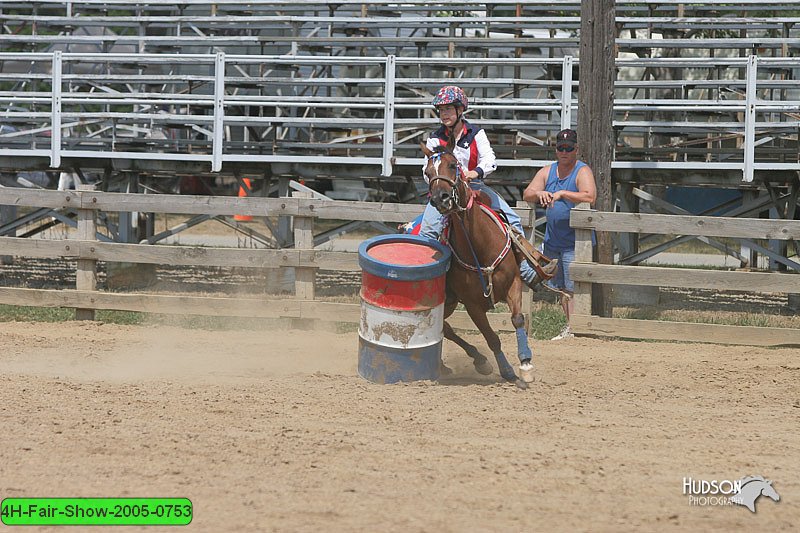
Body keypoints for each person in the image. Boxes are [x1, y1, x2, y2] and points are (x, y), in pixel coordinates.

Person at [420, 85, 552, 289]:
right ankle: (432, 278)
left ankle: (526, 271)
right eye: (441, 110)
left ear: (460, 110)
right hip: (444, 191)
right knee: (427, 230)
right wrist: (437, 180)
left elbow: (490, 160)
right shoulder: (435, 138)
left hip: (474, 185)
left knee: (513, 219)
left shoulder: (475, 133)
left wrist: (475, 172)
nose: (444, 114)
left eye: (448, 109)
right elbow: (425, 169)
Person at [523, 128, 597, 340]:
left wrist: (563, 193)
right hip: (553, 241)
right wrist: (540, 193)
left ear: (576, 149)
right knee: (562, 288)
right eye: (561, 148)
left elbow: (590, 196)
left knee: (575, 287)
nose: (564, 152)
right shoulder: (548, 171)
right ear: (556, 149)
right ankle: (570, 327)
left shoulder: (582, 171)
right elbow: (527, 193)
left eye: (569, 148)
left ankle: (576, 328)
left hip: (575, 242)